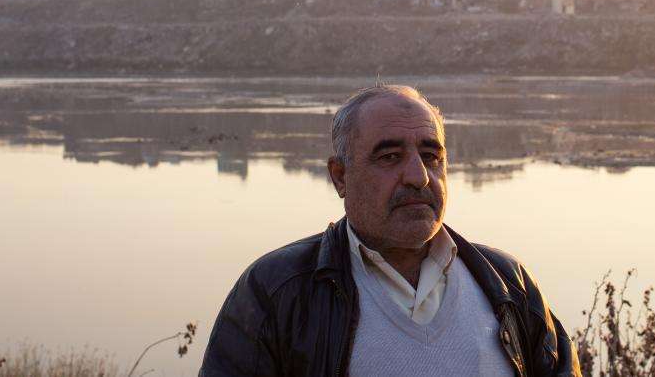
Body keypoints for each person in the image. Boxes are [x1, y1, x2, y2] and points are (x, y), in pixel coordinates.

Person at [198, 84, 581, 376]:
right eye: (390, 157)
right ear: (340, 176)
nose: (418, 176)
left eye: (431, 156)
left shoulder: (506, 284)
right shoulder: (276, 291)